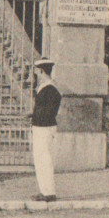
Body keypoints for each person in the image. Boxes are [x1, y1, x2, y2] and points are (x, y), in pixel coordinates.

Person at [30, 58, 61, 202]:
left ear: (41, 71)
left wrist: (35, 114)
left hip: (44, 127)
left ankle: (48, 192)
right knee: (40, 159)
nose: (35, 73)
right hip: (41, 127)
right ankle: (44, 190)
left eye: (36, 70)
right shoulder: (46, 88)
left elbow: (48, 112)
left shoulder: (50, 89)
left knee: (44, 159)